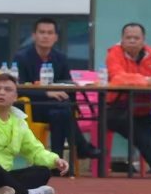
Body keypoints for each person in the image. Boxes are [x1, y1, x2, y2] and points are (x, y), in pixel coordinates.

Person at [12, 17, 102, 161]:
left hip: (57, 107)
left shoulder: (60, 57)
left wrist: (66, 90)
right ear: (34, 35)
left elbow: (68, 84)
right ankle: (81, 147)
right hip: (32, 107)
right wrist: (47, 93)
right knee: (63, 111)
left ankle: (55, 161)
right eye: (42, 32)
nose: (45, 36)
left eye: (49, 33)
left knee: (59, 114)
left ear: (55, 37)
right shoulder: (22, 57)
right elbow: (19, 88)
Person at [103, 22, 151, 178]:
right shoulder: (114, 53)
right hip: (116, 110)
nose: (132, 40)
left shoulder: (150, 54)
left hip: (142, 109)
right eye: (128, 37)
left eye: (136, 38)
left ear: (143, 40)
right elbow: (118, 78)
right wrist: (147, 80)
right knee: (141, 136)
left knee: (146, 138)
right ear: (122, 39)